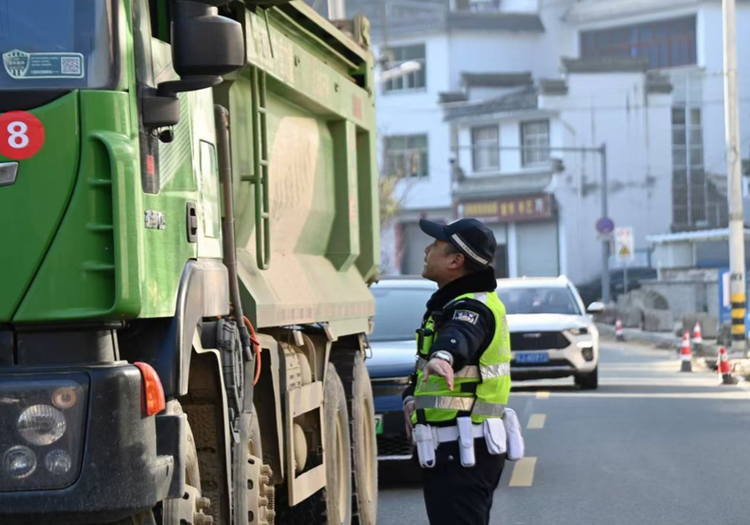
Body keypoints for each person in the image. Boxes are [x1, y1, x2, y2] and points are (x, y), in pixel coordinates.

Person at [402, 217, 512, 525]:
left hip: (463, 448)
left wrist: (444, 356)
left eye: (435, 245)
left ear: (455, 260)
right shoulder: (455, 303)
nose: (426, 250)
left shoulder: (471, 308)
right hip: (458, 447)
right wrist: (412, 398)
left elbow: (461, 334)